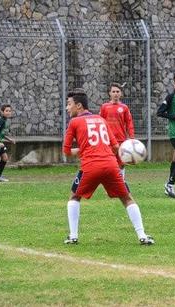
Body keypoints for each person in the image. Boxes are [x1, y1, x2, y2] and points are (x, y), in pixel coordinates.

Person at [63, 89, 154, 245]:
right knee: (127, 198)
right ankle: (142, 236)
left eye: (69, 104)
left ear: (78, 106)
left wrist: (81, 150)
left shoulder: (74, 122)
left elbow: (66, 151)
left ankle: (73, 236)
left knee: (74, 197)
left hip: (90, 166)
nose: (67, 108)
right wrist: (128, 155)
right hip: (111, 165)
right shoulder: (101, 119)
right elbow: (115, 146)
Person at [99, 82, 135, 178]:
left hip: (121, 140)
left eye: (117, 91)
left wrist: (131, 138)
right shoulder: (104, 107)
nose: (115, 93)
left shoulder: (124, 108)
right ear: (109, 93)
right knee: (108, 163)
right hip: (108, 141)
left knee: (121, 163)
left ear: (121, 94)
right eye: (113, 91)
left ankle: (121, 182)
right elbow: (100, 123)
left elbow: (129, 123)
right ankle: (111, 183)